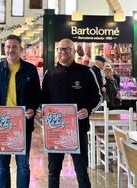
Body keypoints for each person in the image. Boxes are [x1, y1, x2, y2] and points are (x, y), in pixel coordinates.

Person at [37, 38, 102, 188]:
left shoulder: (86, 72)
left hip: (77, 131)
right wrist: (41, 109)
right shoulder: (50, 73)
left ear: (73, 52)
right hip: (55, 131)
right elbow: (43, 97)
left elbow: (97, 96)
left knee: (82, 173)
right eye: (60, 49)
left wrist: (87, 109)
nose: (63, 52)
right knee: (53, 172)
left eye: (66, 49)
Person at [0, 34, 41, 188]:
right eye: (8, 46)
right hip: (1, 125)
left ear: (20, 49)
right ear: (4, 48)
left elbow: (37, 95)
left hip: (22, 125)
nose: (10, 50)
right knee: (2, 165)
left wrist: (33, 108)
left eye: (14, 46)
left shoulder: (30, 70)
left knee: (23, 166)